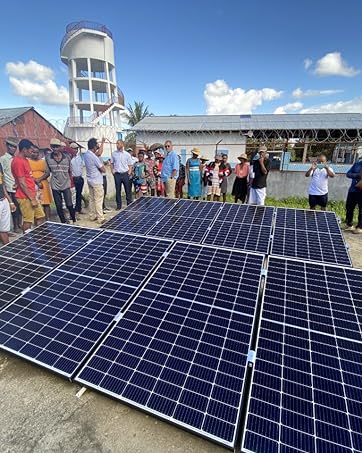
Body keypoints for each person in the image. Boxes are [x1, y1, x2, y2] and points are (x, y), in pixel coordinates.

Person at [11, 139, 45, 232]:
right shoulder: (18, 162)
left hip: (32, 194)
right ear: (24, 150)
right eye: (31, 150)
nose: (32, 152)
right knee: (28, 221)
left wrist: (36, 182)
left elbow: (27, 177)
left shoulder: (25, 160)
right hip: (25, 197)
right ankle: (27, 241)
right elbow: (22, 182)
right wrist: (32, 199)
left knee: (41, 217)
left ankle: (39, 237)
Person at [45, 138, 76, 224]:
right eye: (53, 147)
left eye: (57, 147)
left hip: (66, 184)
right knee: (58, 206)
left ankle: (73, 220)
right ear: (51, 147)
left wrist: (69, 181)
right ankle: (63, 222)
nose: (55, 149)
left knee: (69, 204)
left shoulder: (67, 157)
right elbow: (47, 172)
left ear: (60, 147)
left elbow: (70, 171)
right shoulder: (48, 158)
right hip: (55, 185)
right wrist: (38, 180)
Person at [0, 138, 22, 232]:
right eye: (11, 146)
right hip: (9, 187)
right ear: (7, 146)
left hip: (18, 186)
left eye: (15, 147)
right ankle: (15, 227)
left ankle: (20, 224)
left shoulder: (17, 158)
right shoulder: (3, 159)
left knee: (20, 207)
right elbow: (3, 174)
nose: (13, 148)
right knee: (13, 209)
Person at [84, 138, 106, 224]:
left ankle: (92, 216)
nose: (97, 146)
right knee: (98, 199)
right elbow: (103, 169)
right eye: (97, 145)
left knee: (92, 199)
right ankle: (100, 218)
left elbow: (99, 152)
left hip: (90, 180)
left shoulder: (86, 155)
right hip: (97, 181)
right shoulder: (94, 157)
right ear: (94, 146)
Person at [29, 147, 52, 220]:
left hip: (43, 184)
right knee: (36, 203)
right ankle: (38, 221)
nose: (35, 154)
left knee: (46, 203)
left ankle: (48, 220)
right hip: (33, 184)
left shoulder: (43, 162)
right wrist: (35, 181)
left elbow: (47, 173)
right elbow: (27, 174)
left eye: (37, 152)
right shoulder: (28, 162)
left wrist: (39, 179)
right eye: (33, 152)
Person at [111, 140, 133, 209]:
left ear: (122, 144)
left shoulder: (127, 154)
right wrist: (112, 171)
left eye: (118, 143)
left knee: (128, 190)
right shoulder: (113, 154)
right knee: (118, 190)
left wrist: (129, 173)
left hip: (125, 174)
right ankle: (118, 206)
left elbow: (130, 165)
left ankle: (129, 204)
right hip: (117, 174)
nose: (117, 145)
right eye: (116, 143)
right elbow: (112, 163)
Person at [0, 154, 17, 244]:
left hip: (3, 200)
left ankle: (8, 252)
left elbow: (2, 185)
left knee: (3, 230)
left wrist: (10, 202)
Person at [345, 148, 362, 234]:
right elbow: (348, 174)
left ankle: (360, 227)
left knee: (361, 209)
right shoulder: (357, 164)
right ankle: (349, 224)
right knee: (349, 207)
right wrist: (357, 175)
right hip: (353, 190)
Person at [70, 142, 85, 215]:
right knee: (74, 195)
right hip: (73, 179)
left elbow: (81, 166)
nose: (75, 150)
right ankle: (75, 210)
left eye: (76, 149)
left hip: (80, 178)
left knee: (79, 194)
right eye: (74, 149)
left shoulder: (79, 157)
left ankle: (79, 208)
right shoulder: (70, 158)